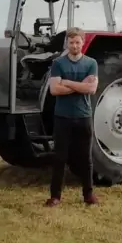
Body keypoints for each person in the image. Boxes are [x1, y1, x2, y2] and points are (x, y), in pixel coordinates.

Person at [45, 27, 99, 207]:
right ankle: (55, 197)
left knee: (86, 158)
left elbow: (91, 89)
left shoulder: (91, 63)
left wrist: (66, 83)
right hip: (63, 117)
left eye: (77, 42)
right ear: (67, 44)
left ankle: (88, 195)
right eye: (71, 43)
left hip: (83, 116)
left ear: (83, 43)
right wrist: (78, 85)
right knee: (59, 158)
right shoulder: (58, 63)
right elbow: (54, 90)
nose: (74, 46)